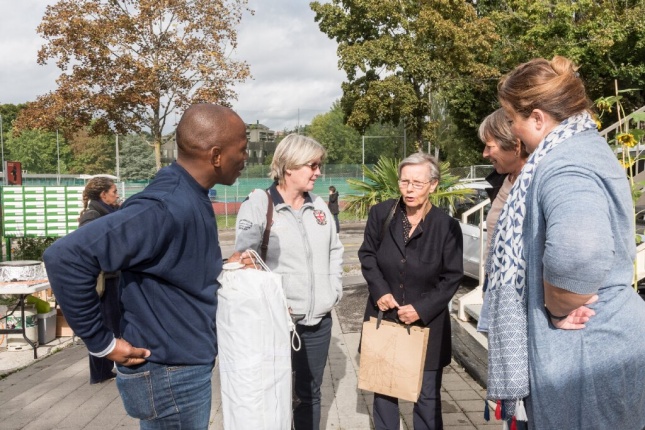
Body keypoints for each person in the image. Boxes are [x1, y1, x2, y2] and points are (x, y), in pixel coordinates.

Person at [43, 104, 249, 429]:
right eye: (243, 148)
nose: (247, 157)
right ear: (216, 155)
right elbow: (65, 257)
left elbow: (171, 266)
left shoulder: (191, 196)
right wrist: (102, 343)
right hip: (170, 376)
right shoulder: (165, 205)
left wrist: (224, 266)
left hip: (181, 369)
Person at [486, 55, 645, 429]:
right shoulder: (583, 148)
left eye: (513, 119)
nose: (512, 129)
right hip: (597, 346)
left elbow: (578, 253)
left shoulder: (565, 163)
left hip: (586, 350)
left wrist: (558, 305)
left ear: (538, 118)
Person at [232, 133, 344, 430]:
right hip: (279, 323)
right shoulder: (259, 203)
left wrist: (333, 292)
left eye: (318, 165)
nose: (318, 172)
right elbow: (246, 259)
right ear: (289, 166)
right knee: (274, 394)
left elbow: (335, 250)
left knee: (310, 395)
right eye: (313, 165)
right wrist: (275, 306)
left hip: (319, 321)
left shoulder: (319, 206)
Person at [358, 152, 463, 430]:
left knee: (427, 397)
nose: (409, 189)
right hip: (385, 319)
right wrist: (379, 290)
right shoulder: (381, 214)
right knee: (384, 393)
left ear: (433, 185)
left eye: (417, 183)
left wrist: (421, 308)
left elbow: (452, 277)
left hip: (427, 324)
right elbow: (368, 255)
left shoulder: (446, 226)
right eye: (405, 182)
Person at [476, 108, 528, 333]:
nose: (485, 154)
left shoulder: (534, 184)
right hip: (496, 288)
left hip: (518, 301)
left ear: (515, 145)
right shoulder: (505, 180)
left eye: (490, 146)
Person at [78, 177, 121, 384]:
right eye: (114, 191)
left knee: (113, 324)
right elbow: (88, 249)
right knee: (104, 324)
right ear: (103, 195)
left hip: (113, 277)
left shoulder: (108, 213)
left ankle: (106, 370)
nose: (117, 195)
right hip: (104, 282)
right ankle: (100, 373)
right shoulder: (92, 216)